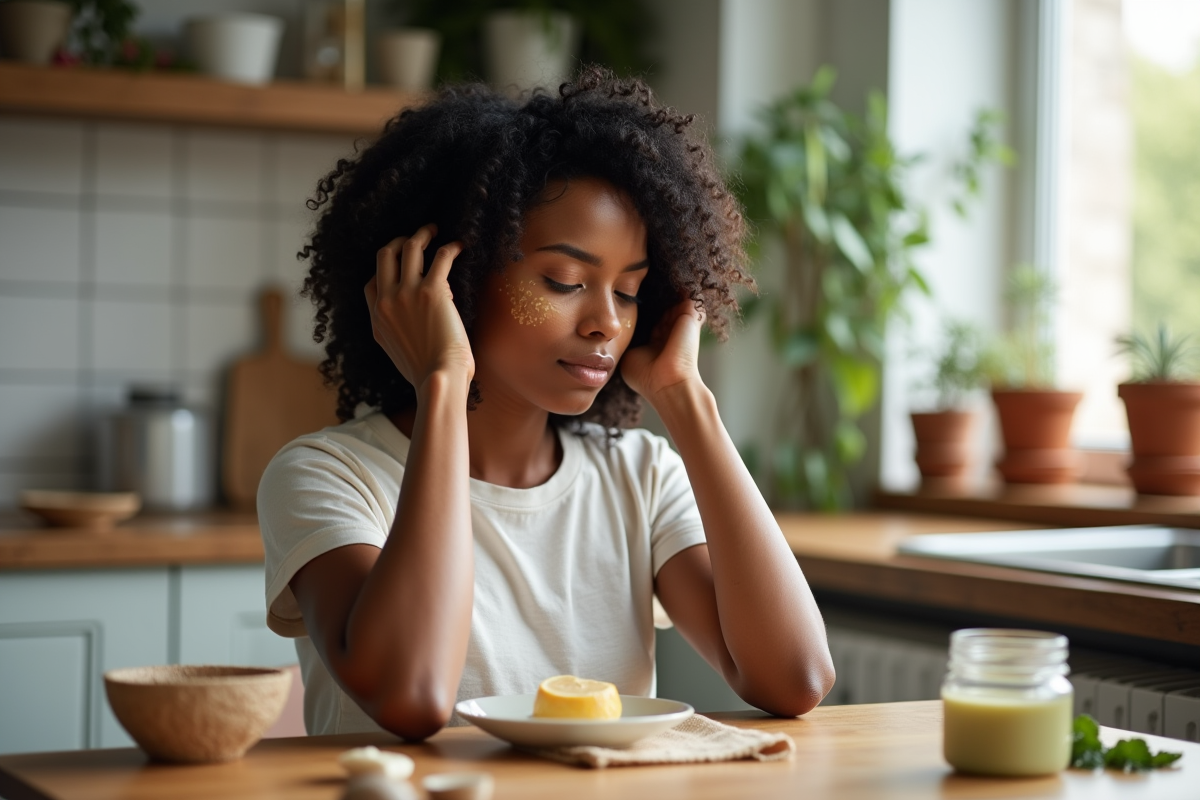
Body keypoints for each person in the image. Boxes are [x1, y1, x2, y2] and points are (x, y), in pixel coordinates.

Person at [258, 67, 835, 741]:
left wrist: (686, 401)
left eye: (628, 291)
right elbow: (409, 696)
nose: (606, 324)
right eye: (564, 281)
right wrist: (441, 380)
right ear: (451, 279)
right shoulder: (328, 476)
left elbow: (793, 678)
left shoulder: (640, 478)